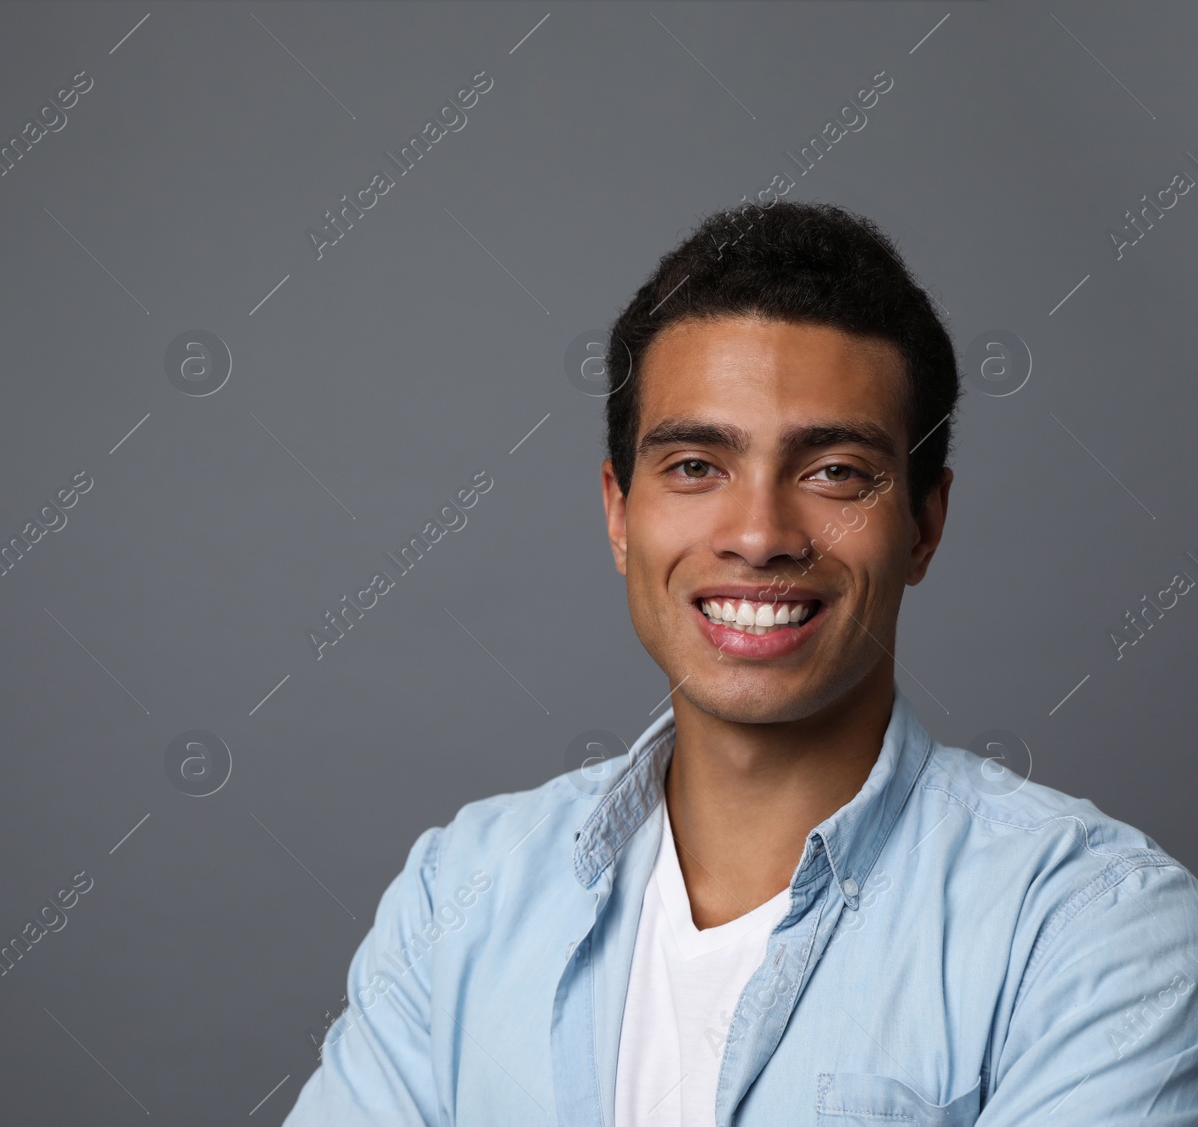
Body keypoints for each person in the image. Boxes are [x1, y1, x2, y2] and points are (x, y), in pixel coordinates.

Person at [280, 201, 1198, 1125]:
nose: (759, 535)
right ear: (618, 513)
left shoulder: (1092, 927)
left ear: (924, 523)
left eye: (835, 470)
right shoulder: (460, 892)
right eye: (693, 466)